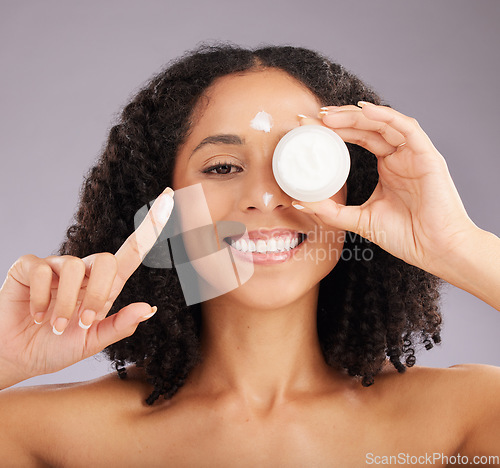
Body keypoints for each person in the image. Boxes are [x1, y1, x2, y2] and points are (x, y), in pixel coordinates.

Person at [1, 43, 499, 466]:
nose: (265, 197)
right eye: (221, 167)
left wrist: (457, 245)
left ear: (355, 186)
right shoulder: (42, 437)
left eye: (302, 162)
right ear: (160, 202)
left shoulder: (467, 417)